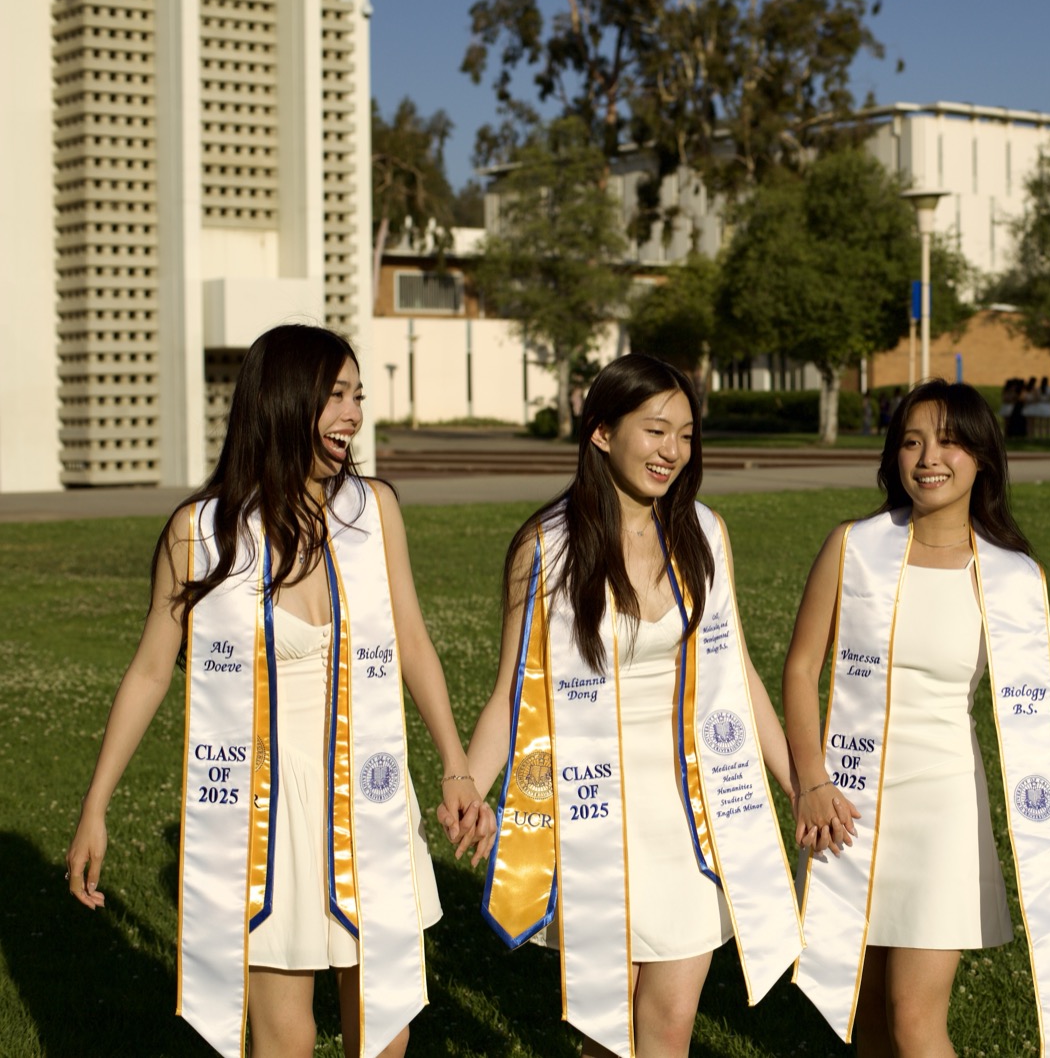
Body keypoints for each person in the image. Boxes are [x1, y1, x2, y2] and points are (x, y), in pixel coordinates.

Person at [65, 324, 474, 1058]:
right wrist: (96, 807)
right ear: (284, 402)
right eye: (336, 396)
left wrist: (455, 764)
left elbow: (413, 641)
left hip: (370, 793)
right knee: (281, 1037)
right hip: (265, 809)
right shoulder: (203, 531)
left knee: (384, 1028)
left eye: (358, 395)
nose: (353, 414)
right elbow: (152, 671)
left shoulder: (373, 511)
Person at [446, 354, 801, 1058]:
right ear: (602, 433)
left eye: (687, 435)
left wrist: (802, 785)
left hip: (689, 808)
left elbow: (738, 673)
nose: (672, 451)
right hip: (592, 814)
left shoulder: (706, 533)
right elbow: (511, 695)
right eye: (656, 430)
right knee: (605, 1037)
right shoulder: (544, 548)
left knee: (669, 1025)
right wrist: (468, 786)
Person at [784, 380, 1050, 1057]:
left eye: (950, 440)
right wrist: (810, 779)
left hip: (943, 804)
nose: (929, 457)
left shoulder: (1013, 577)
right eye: (912, 441)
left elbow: (1032, 723)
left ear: (982, 455)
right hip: (849, 801)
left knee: (913, 1019)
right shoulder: (854, 546)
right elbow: (802, 668)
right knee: (859, 1012)